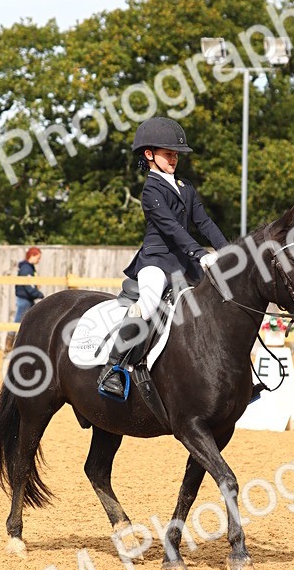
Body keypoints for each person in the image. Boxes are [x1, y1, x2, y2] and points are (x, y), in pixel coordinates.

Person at [98, 117, 229, 399]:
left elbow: (204, 222)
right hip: (157, 261)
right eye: (168, 154)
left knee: (219, 298)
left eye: (175, 154)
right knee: (148, 304)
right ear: (150, 155)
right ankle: (113, 368)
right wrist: (200, 253)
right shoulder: (151, 190)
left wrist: (228, 251)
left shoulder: (185, 186)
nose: (174, 159)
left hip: (185, 263)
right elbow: (170, 227)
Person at [5, 246, 44, 352]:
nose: (38, 260)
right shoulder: (26, 269)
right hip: (25, 300)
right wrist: (39, 294)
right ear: (32, 255)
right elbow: (29, 286)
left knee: (33, 321)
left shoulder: (29, 268)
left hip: (27, 299)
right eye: (38, 257)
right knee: (19, 322)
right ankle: (9, 347)